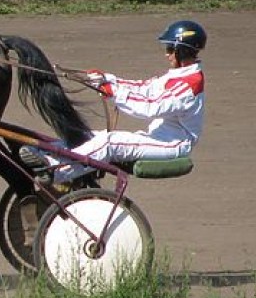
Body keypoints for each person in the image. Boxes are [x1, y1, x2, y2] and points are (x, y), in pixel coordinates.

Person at [20, 20, 207, 186]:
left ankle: (56, 171)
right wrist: (107, 80)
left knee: (109, 142)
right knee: (89, 136)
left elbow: (151, 107)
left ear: (182, 51)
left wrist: (113, 92)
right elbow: (143, 87)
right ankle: (43, 154)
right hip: (158, 138)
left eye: (169, 49)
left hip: (173, 145)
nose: (166, 54)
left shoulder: (190, 84)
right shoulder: (178, 76)